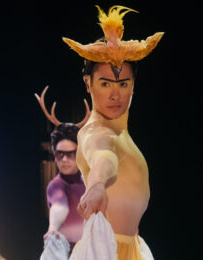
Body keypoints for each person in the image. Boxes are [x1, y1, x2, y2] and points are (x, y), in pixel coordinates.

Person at [62, 5, 164, 260]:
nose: (115, 94)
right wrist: (97, 184)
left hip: (131, 248)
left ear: (133, 86)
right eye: (105, 83)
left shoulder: (121, 133)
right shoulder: (96, 132)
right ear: (88, 84)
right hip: (106, 251)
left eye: (122, 84)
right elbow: (103, 157)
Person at [35, 87, 90, 257]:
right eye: (60, 154)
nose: (64, 159)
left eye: (70, 154)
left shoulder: (91, 182)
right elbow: (59, 205)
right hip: (64, 252)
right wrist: (52, 227)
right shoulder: (56, 185)